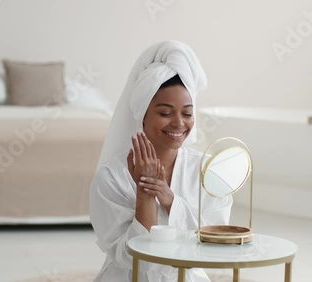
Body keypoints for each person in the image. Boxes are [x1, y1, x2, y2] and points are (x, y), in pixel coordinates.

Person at [89, 40, 232, 282]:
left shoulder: (208, 172)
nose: (178, 123)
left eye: (187, 113)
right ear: (142, 114)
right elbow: (128, 258)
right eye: (165, 113)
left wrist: (170, 200)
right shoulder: (111, 176)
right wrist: (144, 196)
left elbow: (213, 244)